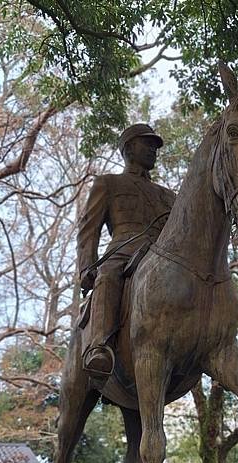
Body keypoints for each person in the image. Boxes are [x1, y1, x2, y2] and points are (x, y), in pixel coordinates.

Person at [77, 124, 175, 378]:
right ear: (129, 148)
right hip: (124, 249)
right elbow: (89, 228)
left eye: (155, 146)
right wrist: (87, 266)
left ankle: (228, 347)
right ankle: (99, 346)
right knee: (108, 276)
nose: (154, 150)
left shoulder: (168, 195)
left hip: (164, 253)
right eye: (148, 144)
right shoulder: (108, 183)